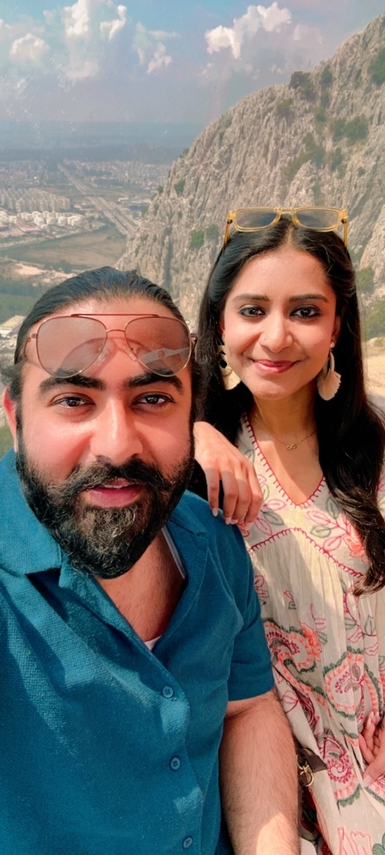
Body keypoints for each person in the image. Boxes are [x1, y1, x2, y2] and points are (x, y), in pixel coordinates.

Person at [0, 267, 300, 855]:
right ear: (16, 419)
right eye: (74, 400)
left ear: (192, 418)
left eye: (153, 399)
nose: (117, 444)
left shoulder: (211, 540)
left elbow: (247, 709)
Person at [192, 207, 385, 854]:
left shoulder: (377, 447)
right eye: (253, 310)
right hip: (266, 798)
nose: (275, 337)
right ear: (220, 323)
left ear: (336, 326)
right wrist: (192, 435)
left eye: (304, 311)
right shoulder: (197, 467)